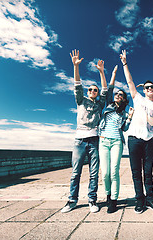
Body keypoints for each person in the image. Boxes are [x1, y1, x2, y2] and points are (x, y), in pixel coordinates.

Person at [61, 49, 107, 213]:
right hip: (79, 141)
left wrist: (102, 72)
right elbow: (77, 85)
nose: (93, 92)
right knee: (75, 173)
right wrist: (75, 66)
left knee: (94, 174)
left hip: (94, 140)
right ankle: (72, 201)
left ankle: (92, 201)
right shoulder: (81, 100)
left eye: (95, 90)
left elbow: (105, 90)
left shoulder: (99, 104)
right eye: (91, 90)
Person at [119, 50, 153, 214]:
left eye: (152, 87)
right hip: (134, 140)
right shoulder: (138, 98)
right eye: (147, 87)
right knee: (136, 172)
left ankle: (151, 199)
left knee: (149, 172)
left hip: (149, 142)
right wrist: (125, 63)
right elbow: (129, 81)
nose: (149, 89)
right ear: (144, 89)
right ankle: (140, 200)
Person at [98, 65, 134, 214]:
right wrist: (112, 73)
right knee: (105, 172)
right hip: (104, 141)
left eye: (121, 95)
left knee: (114, 171)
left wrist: (130, 117)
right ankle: (108, 194)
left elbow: (124, 129)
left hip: (116, 142)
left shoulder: (124, 113)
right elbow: (109, 88)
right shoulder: (108, 105)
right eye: (117, 94)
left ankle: (114, 199)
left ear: (124, 99)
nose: (118, 95)